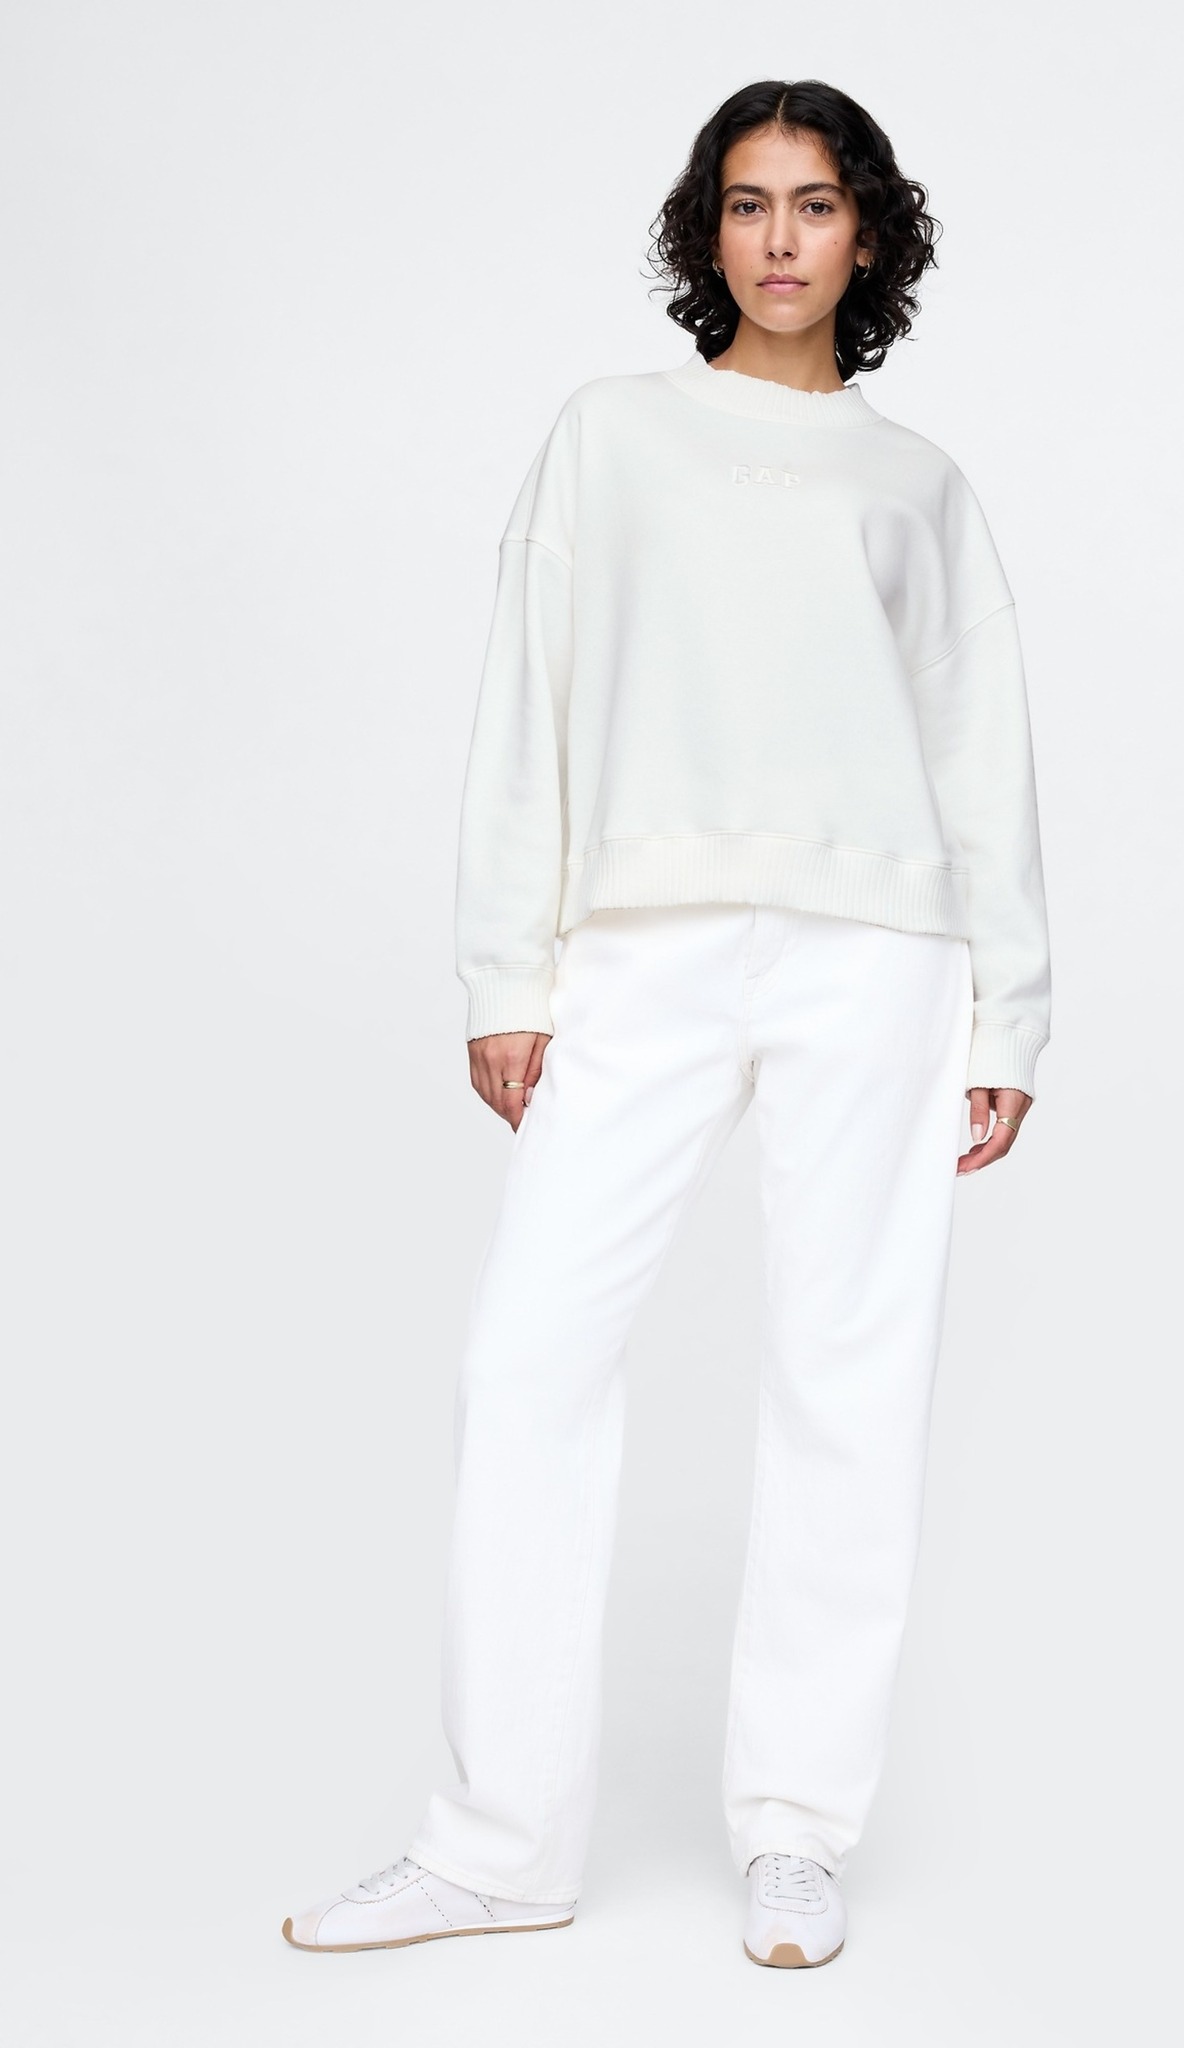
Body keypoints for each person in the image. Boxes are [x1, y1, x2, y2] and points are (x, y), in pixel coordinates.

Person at [283, 76, 1050, 1970]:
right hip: (641, 946)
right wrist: (508, 973)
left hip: (879, 953)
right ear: (706, 230)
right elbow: (526, 702)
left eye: (817, 203)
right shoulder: (609, 438)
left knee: (848, 1377)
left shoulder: (917, 486)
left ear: (869, 235)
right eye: (748, 203)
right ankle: (499, 1845)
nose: (781, 238)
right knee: (527, 1363)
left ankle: (796, 1827)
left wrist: (1008, 1014)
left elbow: (981, 753)